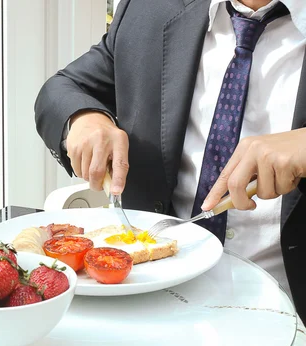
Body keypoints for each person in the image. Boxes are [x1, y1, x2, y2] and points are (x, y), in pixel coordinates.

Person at [34, 0, 306, 320]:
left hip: (289, 306)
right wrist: (83, 117)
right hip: (152, 297)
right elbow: (64, 88)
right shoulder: (150, 7)